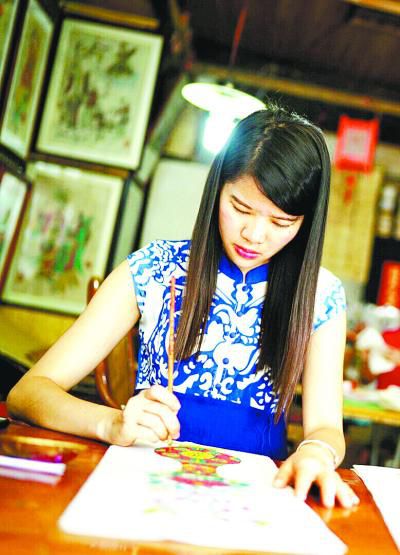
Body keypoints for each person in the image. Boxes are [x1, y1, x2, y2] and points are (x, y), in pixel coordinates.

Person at [7, 104, 359, 509]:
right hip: (144, 487)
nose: (254, 234)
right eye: (241, 208)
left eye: (281, 222)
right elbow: (27, 392)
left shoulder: (319, 296)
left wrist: (316, 452)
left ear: (305, 223)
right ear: (217, 190)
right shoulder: (154, 268)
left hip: (255, 500)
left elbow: (326, 427)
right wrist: (110, 422)